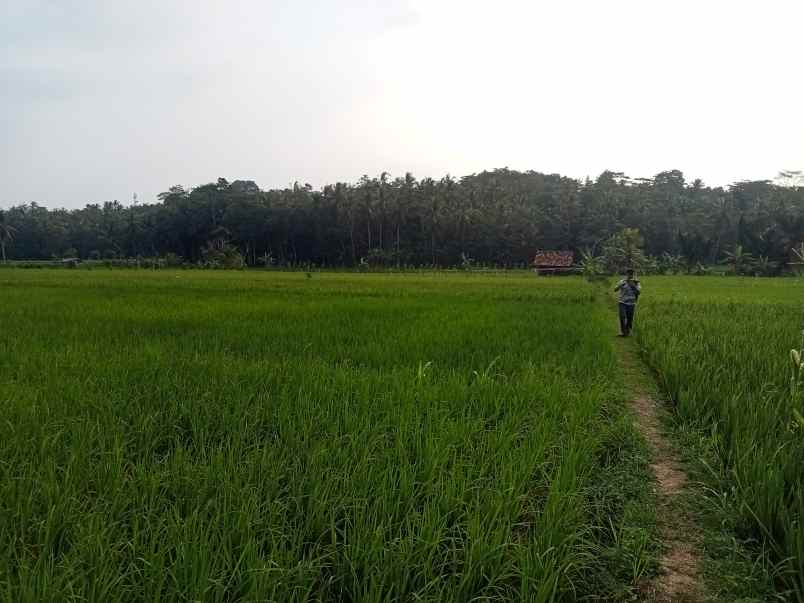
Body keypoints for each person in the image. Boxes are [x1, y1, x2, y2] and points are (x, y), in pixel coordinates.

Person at [614, 269, 641, 336]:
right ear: (627, 274)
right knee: (622, 317)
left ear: (633, 275)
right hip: (622, 302)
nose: (630, 275)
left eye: (631, 274)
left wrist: (633, 286)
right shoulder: (622, 281)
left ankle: (627, 332)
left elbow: (638, 292)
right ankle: (623, 332)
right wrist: (620, 285)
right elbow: (615, 289)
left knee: (629, 318)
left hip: (632, 303)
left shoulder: (636, 282)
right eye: (629, 274)